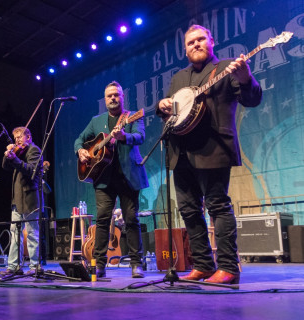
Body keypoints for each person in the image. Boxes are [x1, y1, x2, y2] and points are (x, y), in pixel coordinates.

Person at [156, 25, 262, 284]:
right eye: (190, 42)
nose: (196, 44)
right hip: (180, 151)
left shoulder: (228, 67)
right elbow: (169, 108)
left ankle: (228, 268)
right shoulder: (179, 77)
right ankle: (203, 265)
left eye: (201, 39)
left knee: (217, 206)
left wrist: (246, 78)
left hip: (213, 148)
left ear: (211, 41)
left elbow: (253, 99)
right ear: (185, 48)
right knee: (189, 211)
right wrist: (162, 105)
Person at [75, 81, 149, 278]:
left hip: (128, 176)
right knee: (102, 221)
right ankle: (99, 265)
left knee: (131, 220)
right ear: (105, 99)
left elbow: (140, 136)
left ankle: (136, 264)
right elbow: (79, 139)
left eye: (116, 95)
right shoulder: (96, 121)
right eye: (109, 96)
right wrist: (81, 151)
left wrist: (124, 136)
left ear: (122, 97)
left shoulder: (132, 116)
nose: (113, 98)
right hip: (103, 177)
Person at [2, 127, 42, 275]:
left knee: (32, 233)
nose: (17, 140)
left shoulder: (34, 150)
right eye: (15, 138)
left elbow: (30, 170)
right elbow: (5, 166)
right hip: (17, 198)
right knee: (15, 234)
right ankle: (13, 266)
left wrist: (15, 159)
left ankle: (35, 266)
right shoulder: (18, 151)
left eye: (20, 137)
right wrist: (8, 155)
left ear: (28, 137)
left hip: (29, 198)